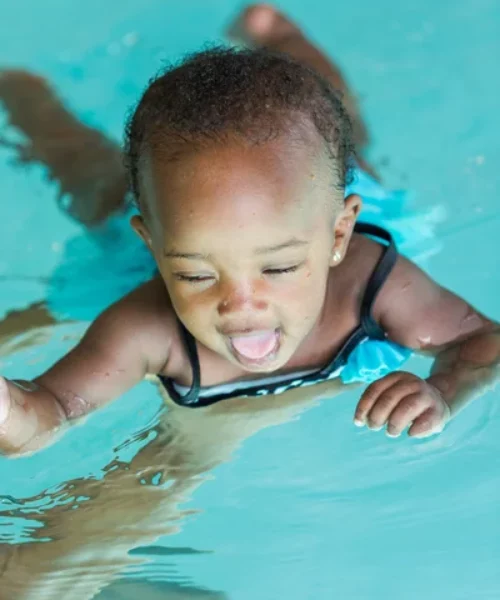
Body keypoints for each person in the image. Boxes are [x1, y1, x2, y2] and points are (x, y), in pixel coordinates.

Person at [0, 5, 497, 457]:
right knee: (91, 179)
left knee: (333, 117)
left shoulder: (372, 283)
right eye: (195, 275)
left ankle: (274, 29)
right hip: (191, 212)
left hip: (304, 196)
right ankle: (26, 96)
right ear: (152, 245)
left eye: (279, 267)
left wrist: (444, 390)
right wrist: (9, 410)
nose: (240, 303)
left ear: (339, 237)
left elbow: (483, 341)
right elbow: (52, 409)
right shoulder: (146, 328)